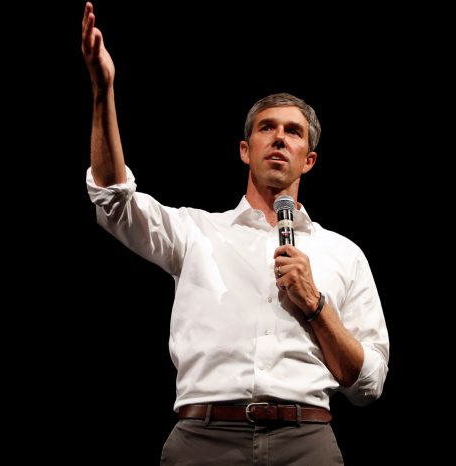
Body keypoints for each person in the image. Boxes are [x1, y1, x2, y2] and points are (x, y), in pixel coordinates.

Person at [81, 3, 389, 464]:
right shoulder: (196, 232)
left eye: (293, 132)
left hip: (305, 440)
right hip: (203, 437)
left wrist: (316, 305)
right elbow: (112, 196)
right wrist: (103, 90)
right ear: (246, 151)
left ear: (309, 160)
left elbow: (369, 384)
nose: (280, 138)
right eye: (267, 128)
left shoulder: (343, 254)